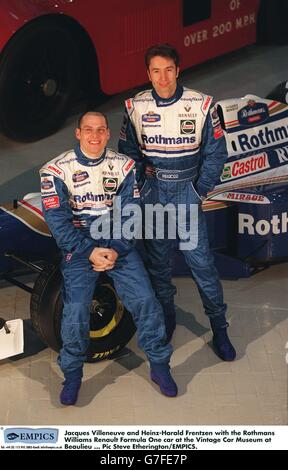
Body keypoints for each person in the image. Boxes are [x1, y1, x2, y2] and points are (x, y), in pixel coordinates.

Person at [40, 111, 177, 406]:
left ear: (107, 132)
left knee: (146, 301)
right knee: (75, 311)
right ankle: (73, 376)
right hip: (79, 247)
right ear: (78, 133)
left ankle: (159, 366)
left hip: (118, 243)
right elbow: (59, 225)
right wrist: (90, 251)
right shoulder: (54, 170)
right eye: (88, 130)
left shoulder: (124, 166)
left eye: (100, 130)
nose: (95, 135)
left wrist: (115, 247)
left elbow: (132, 213)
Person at [118, 44, 236, 361]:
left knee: (203, 267)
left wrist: (199, 190)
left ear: (178, 70)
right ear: (148, 74)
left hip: (187, 192)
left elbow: (216, 154)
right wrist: (142, 186)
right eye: (155, 71)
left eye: (168, 69)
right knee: (158, 266)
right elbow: (128, 155)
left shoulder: (201, 105)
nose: (163, 77)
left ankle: (219, 329)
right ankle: (167, 320)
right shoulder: (135, 107)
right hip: (154, 193)